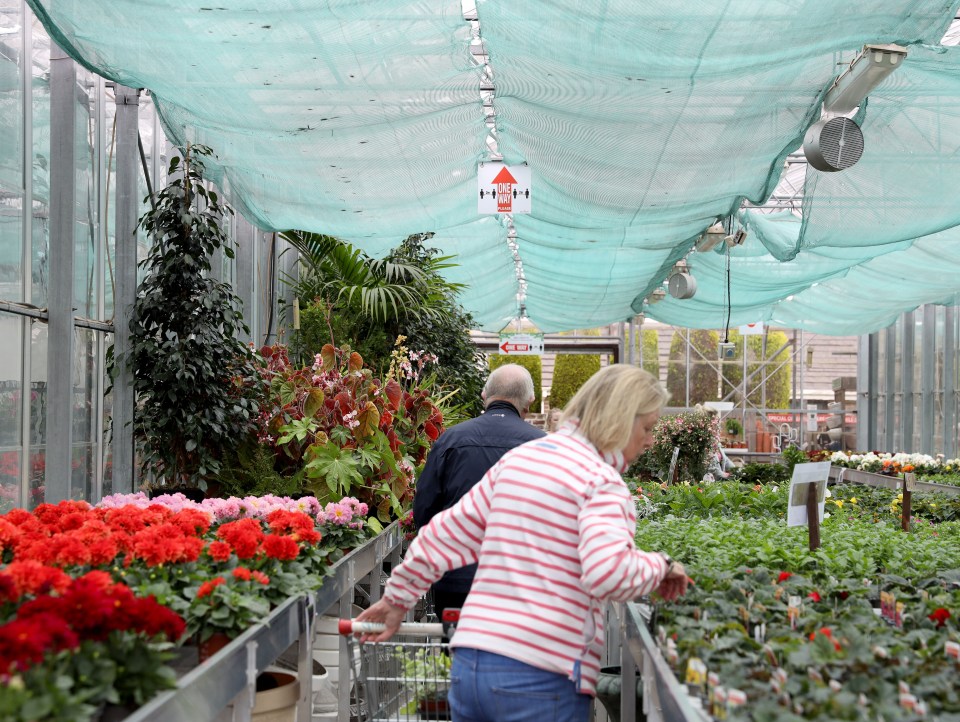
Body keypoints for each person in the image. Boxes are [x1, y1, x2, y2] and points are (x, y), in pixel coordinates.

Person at [357, 365, 691, 722]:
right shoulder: (600, 482)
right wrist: (662, 565)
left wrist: (397, 600)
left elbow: (442, 534)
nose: (651, 440)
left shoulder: (520, 461)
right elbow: (606, 573)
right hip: (540, 678)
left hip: (472, 667)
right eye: (648, 428)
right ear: (622, 420)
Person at [413, 363, 545, 619]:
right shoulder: (543, 446)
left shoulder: (451, 440)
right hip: (521, 584)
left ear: (484, 396)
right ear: (530, 401)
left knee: (454, 654)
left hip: (456, 581)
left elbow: (424, 510)